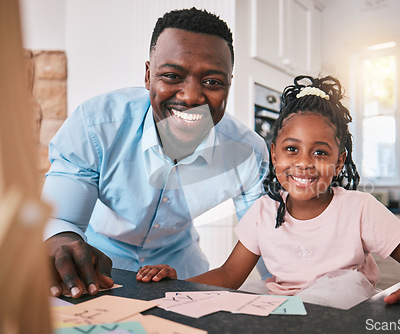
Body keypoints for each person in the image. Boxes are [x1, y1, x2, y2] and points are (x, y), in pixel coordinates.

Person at [137, 75, 400, 319]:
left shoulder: (359, 208)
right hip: (279, 311)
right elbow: (228, 276)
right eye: (291, 149)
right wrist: (176, 283)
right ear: (274, 154)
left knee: (341, 288)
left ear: (339, 161)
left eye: (320, 152)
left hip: (342, 315)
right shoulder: (263, 211)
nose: (304, 163)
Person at [43, 8, 269, 299]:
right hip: (98, 268)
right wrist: (63, 241)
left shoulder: (248, 153)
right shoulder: (97, 125)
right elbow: (64, 220)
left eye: (212, 82)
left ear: (228, 84)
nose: (191, 97)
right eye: (172, 76)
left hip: (184, 275)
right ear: (149, 75)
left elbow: (268, 242)